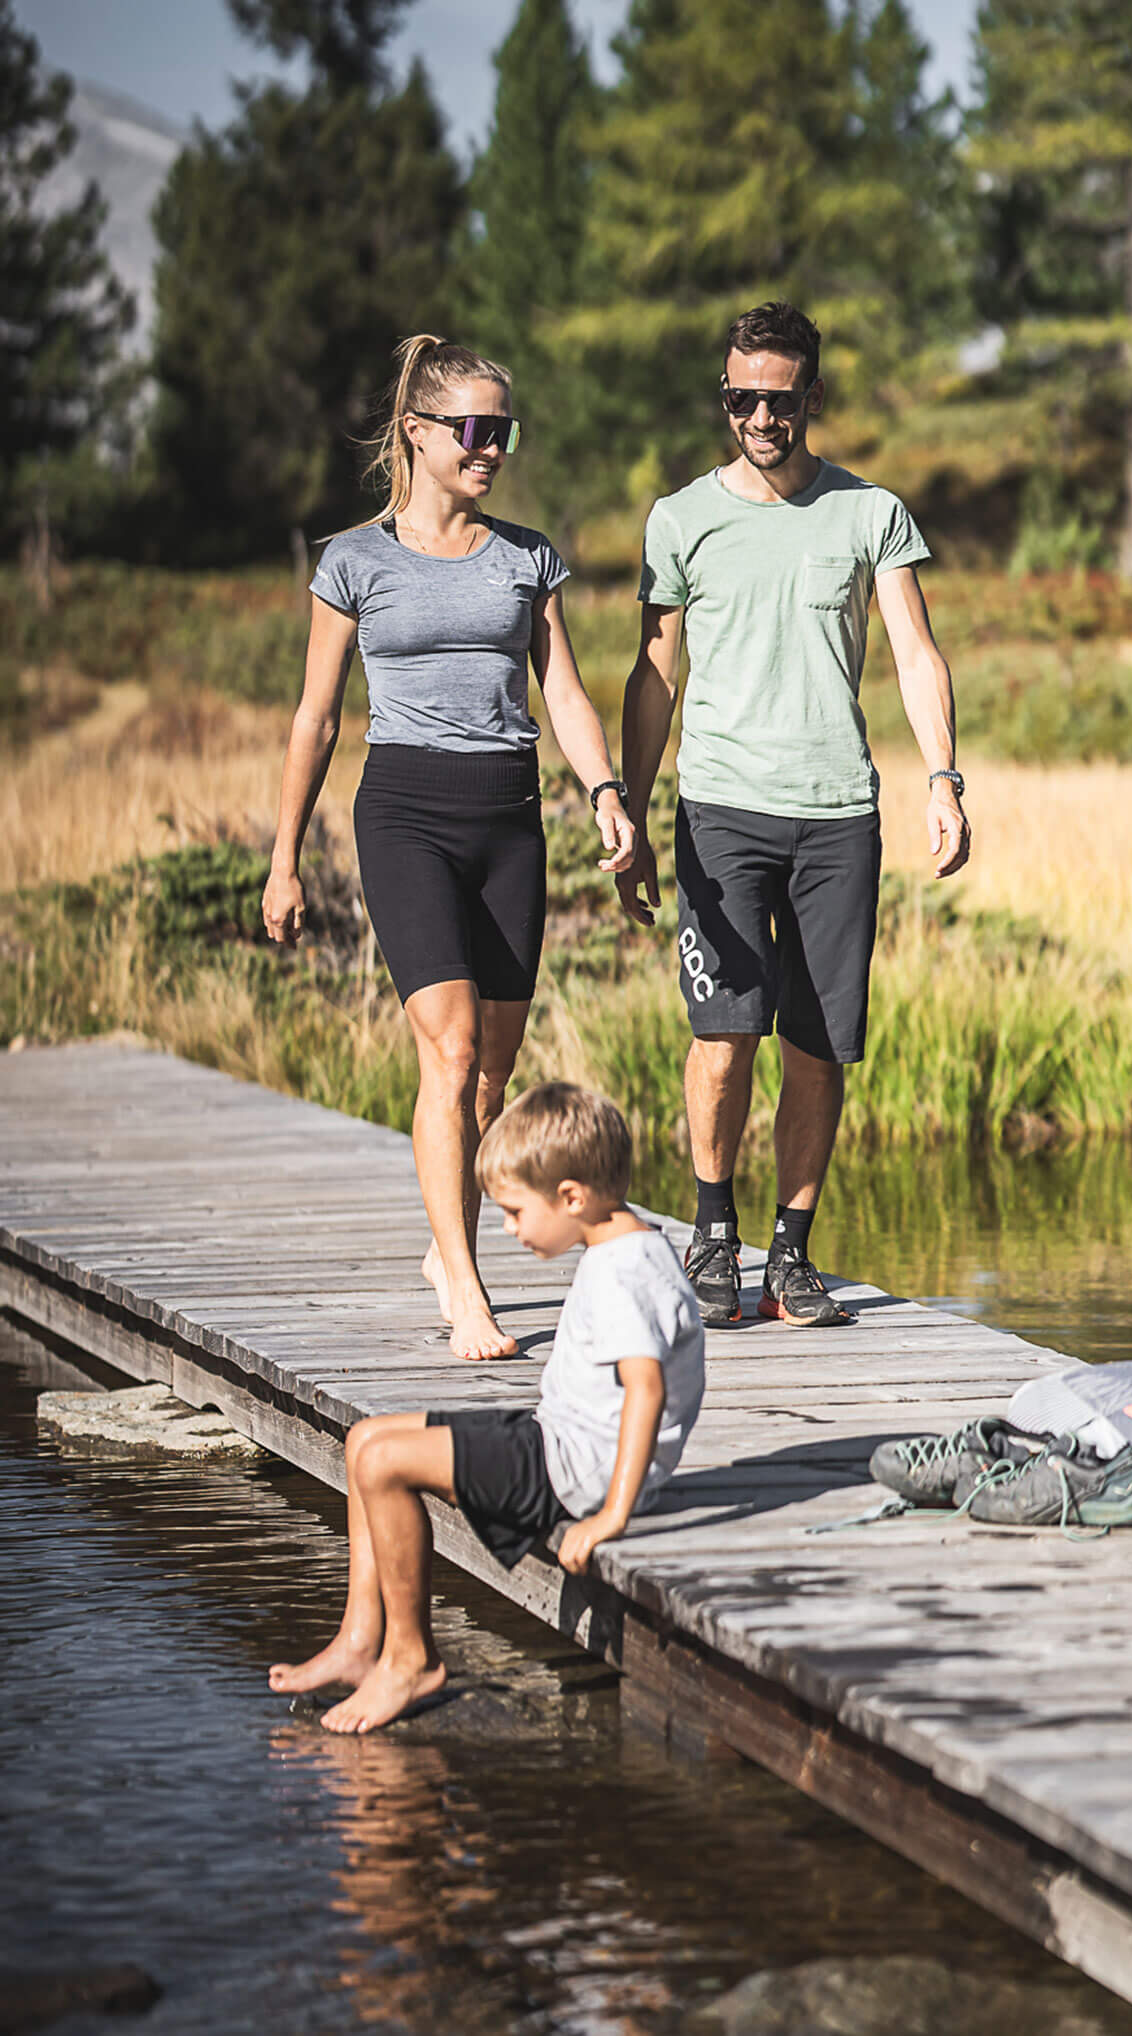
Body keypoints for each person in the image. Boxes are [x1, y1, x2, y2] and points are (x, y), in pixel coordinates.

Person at [262, 335, 635, 1362]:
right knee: (453, 1047)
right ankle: (465, 1286)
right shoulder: (355, 561)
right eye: (471, 429)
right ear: (416, 432)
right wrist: (285, 857)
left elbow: (564, 692)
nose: (490, 448)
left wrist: (604, 790)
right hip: (406, 816)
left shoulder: (526, 556)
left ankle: (444, 1241)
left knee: (492, 1069)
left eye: (502, 429)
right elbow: (316, 719)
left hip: (509, 817)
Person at [616, 301, 970, 1330]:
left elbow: (915, 653)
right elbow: (654, 674)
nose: (761, 419)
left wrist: (943, 778)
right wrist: (629, 809)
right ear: (723, 398)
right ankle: (712, 1231)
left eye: (779, 399)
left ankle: (790, 1252)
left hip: (835, 816)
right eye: (742, 400)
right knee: (725, 1036)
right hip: (720, 810)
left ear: (812, 396)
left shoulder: (870, 514)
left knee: (817, 1045)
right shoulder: (680, 519)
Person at [267, 1081, 705, 1734]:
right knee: (366, 1440)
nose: (508, 1228)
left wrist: (611, 1515)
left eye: (515, 1211)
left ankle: (411, 1659)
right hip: (562, 1443)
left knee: (383, 1464)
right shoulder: (630, 1244)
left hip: (576, 1472)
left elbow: (647, 1390)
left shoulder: (622, 1273)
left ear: (571, 1197)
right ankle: (360, 1640)